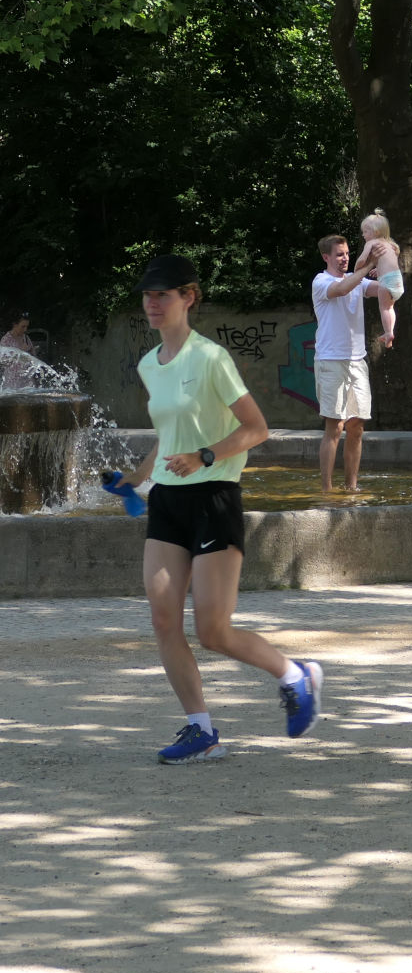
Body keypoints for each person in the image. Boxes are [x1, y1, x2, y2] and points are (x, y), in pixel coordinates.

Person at [115, 254, 324, 763]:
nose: (152, 303)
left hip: (213, 499)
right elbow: (169, 437)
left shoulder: (210, 358)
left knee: (213, 631)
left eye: (163, 294)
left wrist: (205, 455)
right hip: (167, 501)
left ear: (189, 297)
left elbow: (256, 429)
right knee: (164, 620)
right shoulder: (149, 365)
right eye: (147, 295)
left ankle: (296, 675)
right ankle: (201, 729)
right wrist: (137, 479)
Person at [313, 233, 376, 493]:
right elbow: (341, 289)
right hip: (330, 360)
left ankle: (351, 487)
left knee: (357, 426)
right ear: (326, 257)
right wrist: (368, 266)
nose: (345, 258)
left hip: (356, 361)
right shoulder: (321, 281)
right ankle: (327, 489)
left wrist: (388, 265)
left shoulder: (357, 282)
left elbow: (384, 290)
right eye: (339, 254)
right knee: (335, 426)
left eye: (347, 253)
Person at [354, 210, 404, 348]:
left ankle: (388, 333)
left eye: (365, 231)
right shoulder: (391, 244)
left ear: (375, 232)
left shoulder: (371, 243)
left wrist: (356, 269)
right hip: (397, 281)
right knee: (390, 308)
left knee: (384, 308)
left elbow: (363, 259)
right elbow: (389, 262)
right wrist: (379, 268)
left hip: (386, 282)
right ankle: (390, 331)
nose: (363, 235)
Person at [1, 307, 38, 390]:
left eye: (27, 326)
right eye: (23, 326)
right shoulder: (6, 340)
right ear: (15, 324)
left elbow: (34, 359)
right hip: (13, 384)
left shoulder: (26, 338)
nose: (25, 329)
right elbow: (3, 362)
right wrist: (21, 351)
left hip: (28, 382)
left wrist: (33, 352)